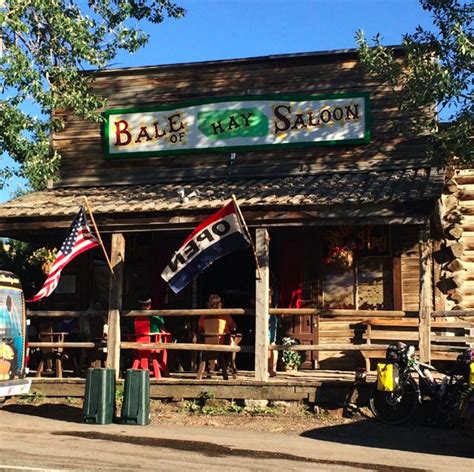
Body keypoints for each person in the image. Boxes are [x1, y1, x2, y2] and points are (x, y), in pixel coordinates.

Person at [268, 287, 279, 377]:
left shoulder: (269, 294)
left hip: (269, 317)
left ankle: (271, 368)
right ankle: (271, 368)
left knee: (269, 344)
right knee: (272, 343)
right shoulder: (273, 294)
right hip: (272, 317)